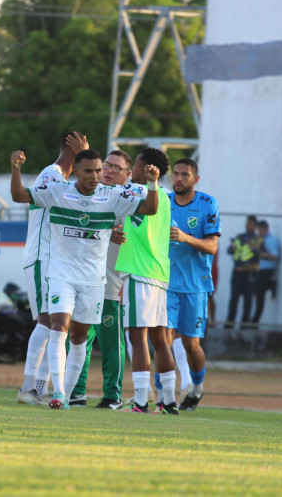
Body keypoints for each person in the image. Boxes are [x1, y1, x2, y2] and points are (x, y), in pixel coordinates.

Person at [10, 146, 159, 409]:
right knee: (58, 327)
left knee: (79, 338)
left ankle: (65, 395)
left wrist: (154, 184)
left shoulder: (112, 197)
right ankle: (56, 393)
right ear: (76, 172)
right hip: (60, 275)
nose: (95, 175)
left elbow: (149, 208)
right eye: (89, 171)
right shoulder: (58, 191)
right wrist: (16, 169)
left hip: (94, 281)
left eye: (98, 170)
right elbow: (20, 195)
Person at [17, 132, 89, 406]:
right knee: (47, 321)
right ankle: (27, 387)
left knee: (55, 323)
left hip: (54, 259)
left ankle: (38, 388)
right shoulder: (52, 174)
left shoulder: (62, 177)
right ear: (73, 145)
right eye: (84, 143)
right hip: (41, 256)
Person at [68, 149, 133, 410]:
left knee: (110, 343)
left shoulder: (127, 200)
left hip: (111, 283)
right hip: (83, 281)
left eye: (116, 168)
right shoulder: (90, 195)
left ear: (128, 175)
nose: (108, 170)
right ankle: (76, 392)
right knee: (79, 338)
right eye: (106, 165)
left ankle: (112, 396)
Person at [115, 147, 178, 414]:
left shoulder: (139, 192)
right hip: (159, 273)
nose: (132, 171)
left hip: (138, 271)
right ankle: (169, 400)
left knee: (136, 336)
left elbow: (114, 193)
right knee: (160, 339)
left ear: (145, 168)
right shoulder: (164, 196)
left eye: (135, 166)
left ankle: (141, 400)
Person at [168, 158, 220, 411]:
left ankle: (197, 386)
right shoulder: (162, 203)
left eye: (184, 174)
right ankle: (164, 396)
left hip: (196, 286)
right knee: (163, 340)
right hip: (165, 283)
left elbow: (212, 246)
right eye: (175, 174)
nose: (178, 178)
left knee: (191, 344)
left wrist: (187, 237)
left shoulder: (208, 204)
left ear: (195, 179)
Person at [225, 215, 260, 328]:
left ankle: (244, 325)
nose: (247, 226)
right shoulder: (240, 237)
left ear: (255, 226)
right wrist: (232, 248)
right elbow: (230, 250)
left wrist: (253, 248)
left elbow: (262, 254)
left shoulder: (258, 239)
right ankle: (230, 323)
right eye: (247, 223)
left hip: (250, 273)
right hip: (237, 272)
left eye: (250, 223)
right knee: (234, 298)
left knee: (248, 300)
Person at [251, 220, 280, 326]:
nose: (259, 232)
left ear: (266, 229)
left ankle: (255, 320)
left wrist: (259, 253)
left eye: (260, 230)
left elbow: (274, 256)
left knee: (260, 294)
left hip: (266, 271)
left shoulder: (272, 240)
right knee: (256, 293)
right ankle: (270, 285)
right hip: (258, 270)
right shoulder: (258, 240)